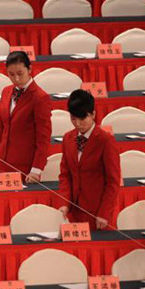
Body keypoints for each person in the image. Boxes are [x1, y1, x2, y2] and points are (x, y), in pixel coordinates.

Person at [57, 89, 120, 230]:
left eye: (82, 118)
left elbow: (113, 182)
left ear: (93, 114)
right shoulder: (67, 138)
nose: (77, 123)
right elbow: (65, 175)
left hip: (98, 214)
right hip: (73, 212)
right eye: (73, 118)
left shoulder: (105, 141)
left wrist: (104, 213)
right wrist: (64, 203)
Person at [0, 51, 52, 183]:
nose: (16, 79)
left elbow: (43, 137)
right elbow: (0, 129)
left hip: (25, 167)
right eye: (11, 75)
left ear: (29, 69)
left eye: (20, 74)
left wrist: (36, 169)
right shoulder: (6, 91)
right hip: (2, 163)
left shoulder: (40, 98)